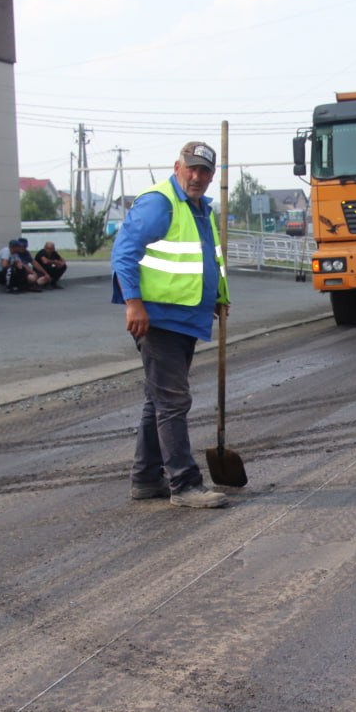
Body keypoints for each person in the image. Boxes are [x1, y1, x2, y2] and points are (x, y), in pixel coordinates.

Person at [112, 140, 230, 509]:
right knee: (173, 401)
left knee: (159, 401)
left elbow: (210, 258)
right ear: (176, 166)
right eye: (191, 168)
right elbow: (123, 253)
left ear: (212, 177)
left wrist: (220, 295)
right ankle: (184, 485)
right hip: (158, 318)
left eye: (204, 171)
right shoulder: (158, 203)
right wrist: (133, 304)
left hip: (186, 316)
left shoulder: (201, 209)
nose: (196, 176)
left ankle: (147, 479)